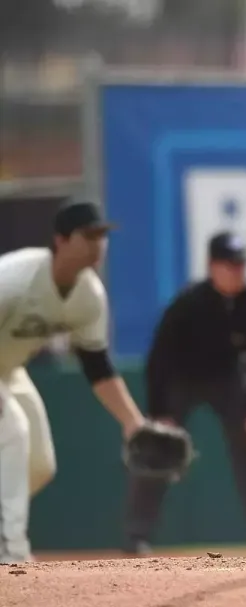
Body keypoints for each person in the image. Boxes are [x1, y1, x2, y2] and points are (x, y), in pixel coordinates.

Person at [0, 200, 164, 563]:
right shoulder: (14, 277)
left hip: (8, 371)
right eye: (88, 236)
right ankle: (9, 553)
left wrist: (132, 424)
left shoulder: (88, 296)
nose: (98, 244)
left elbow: (97, 367)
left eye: (102, 236)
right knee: (14, 431)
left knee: (40, 465)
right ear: (60, 240)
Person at [123, 231, 246, 554]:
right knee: (156, 446)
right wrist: (161, 412)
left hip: (228, 379)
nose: (236, 270)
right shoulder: (188, 304)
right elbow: (159, 359)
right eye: (229, 264)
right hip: (180, 379)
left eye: (241, 264)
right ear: (212, 265)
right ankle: (137, 535)